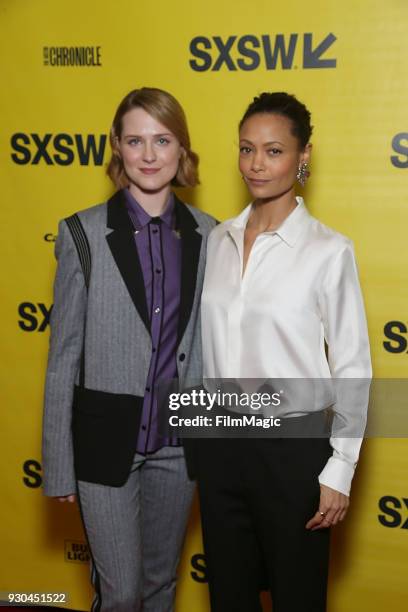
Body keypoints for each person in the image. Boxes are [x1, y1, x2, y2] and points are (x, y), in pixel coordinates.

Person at [195, 92, 372, 611]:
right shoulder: (218, 240)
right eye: (247, 149)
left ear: (303, 156)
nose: (256, 164)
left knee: (297, 598)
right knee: (229, 597)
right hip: (220, 443)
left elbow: (354, 365)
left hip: (294, 451)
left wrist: (339, 469)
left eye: (273, 151)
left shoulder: (327, 250)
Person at [42, 87, 216, 612]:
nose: (148, 154)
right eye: (135, 140)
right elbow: (63, 355)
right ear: (116, 146)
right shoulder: (83, 233)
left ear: (181, 149)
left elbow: (214, 348)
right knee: (120, 593)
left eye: (162, 140)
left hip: (179, 446)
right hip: (103, 445)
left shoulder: (211, 236)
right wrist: (58, 464)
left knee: (161, 584)